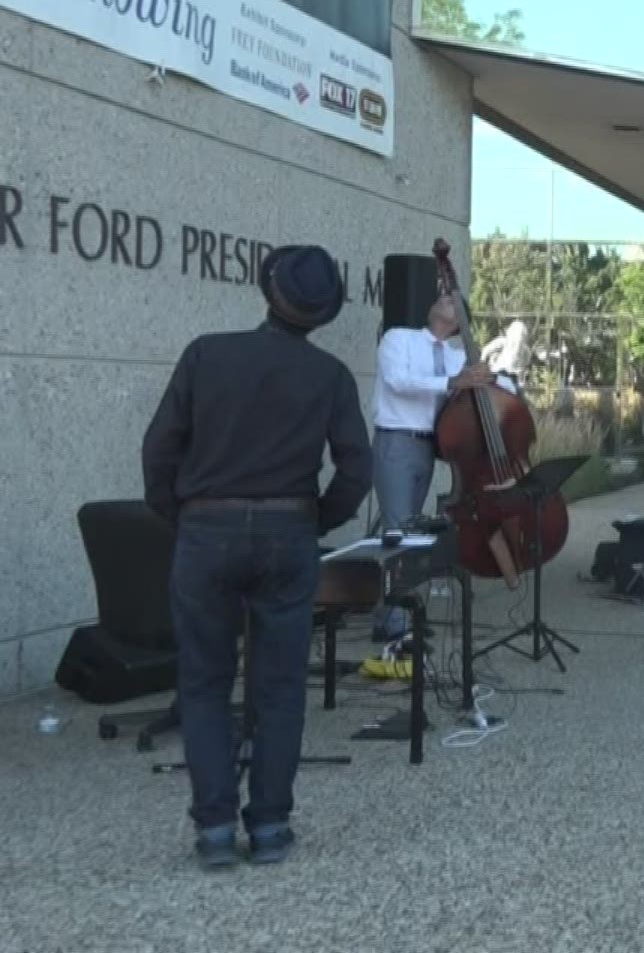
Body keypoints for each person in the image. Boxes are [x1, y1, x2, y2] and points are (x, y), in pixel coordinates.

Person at [140, 244, 373, 869]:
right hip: (289, 531)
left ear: (268, 292)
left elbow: (159, 449)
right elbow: (358, 468)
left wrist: (178, 513)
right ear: (321, 314)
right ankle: (270, 825)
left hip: (205, 529)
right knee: (279, 687)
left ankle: (214, 828)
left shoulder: (206, 353)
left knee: (205, 682)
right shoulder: (330, 376)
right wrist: (318, 518)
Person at [368, 292, 499, 636]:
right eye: (440, 296)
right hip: (396, 439)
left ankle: (395, 613)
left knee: (410, 532)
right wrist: (452, 382)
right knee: (396, 531)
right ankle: (392, 622)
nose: (443, 297)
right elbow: (399, 382)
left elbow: (479, 389)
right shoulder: (399, 338)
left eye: (451, 300)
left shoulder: (457, 356)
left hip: (429, 445)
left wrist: (496, 379)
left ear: (459, 322)